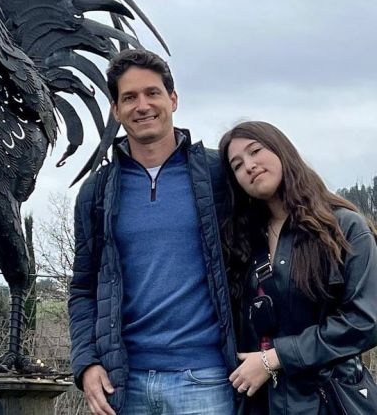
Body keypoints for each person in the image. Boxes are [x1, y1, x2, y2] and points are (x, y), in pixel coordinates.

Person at [69, 49, 237, 415]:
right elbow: (83, 287)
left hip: (207, 380)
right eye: (129, 97)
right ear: (116, 110)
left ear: (172, 100)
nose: (142, 105)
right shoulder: (96, 192)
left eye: (152, 93)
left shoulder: (217, 175)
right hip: (124, 386)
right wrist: (86, 363)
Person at [219, 120, 377, 414]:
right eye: (237, 165)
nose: (249, 166)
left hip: (330, 399)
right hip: (262, 403)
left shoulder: (342, 228)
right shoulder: (244, 243)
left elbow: (365, 321)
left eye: (255, 151)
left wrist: (275, 358)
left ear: (282, 150)